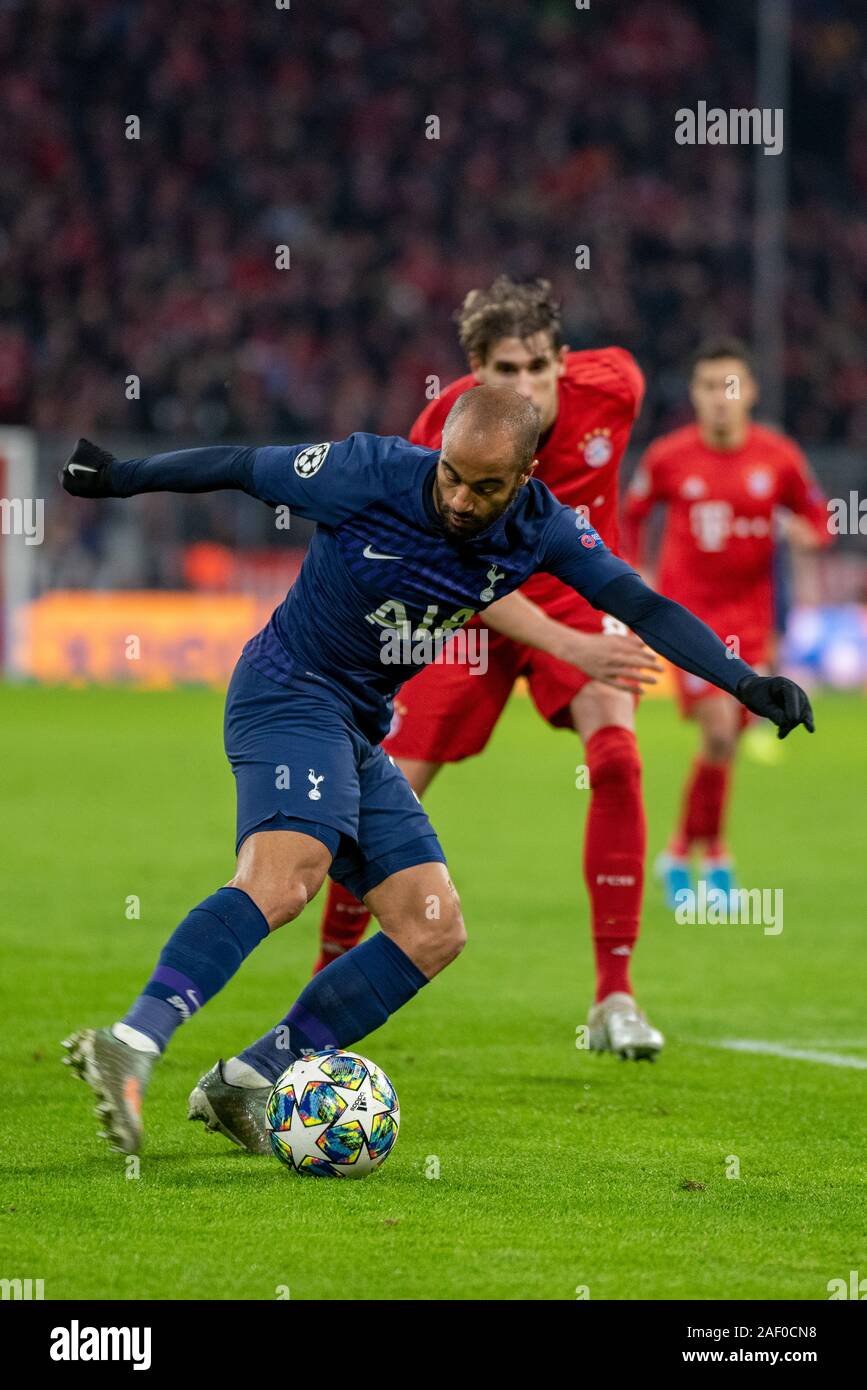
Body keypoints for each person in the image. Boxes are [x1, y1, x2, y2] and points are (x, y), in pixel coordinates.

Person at [60, 385, 813, 1156]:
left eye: (484, 486)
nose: (459, 497)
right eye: (452, 474)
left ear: (524, 475)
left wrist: (743, 681)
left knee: (432, 929)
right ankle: (133, 1041)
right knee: (288, 875)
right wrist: (121, 477)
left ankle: (250, 1079)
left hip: (358, 725)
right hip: (287, 690)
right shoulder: (366, 471)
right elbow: (243, 465)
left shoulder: (541, 528)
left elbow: (638, 602)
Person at [315, 276, 666, 1062]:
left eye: (538, 366)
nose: (525, 386)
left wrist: (584, 633)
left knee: (615, 758)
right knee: (384, 799)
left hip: (577, 591)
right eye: (504, 370)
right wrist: (563, 646)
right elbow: (451, 577)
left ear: (562, 361)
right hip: (471, 607)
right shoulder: (442, 434)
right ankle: (327, 990)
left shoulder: (615, 387)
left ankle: (614, 996)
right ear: (473, 370)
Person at [622, 338, 830, 907]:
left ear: (750, 393)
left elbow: (818, 519)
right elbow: (634, 513)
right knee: (718, 732)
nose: (720, 398)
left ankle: (683, 851)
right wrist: (635, 574)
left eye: (730, 386)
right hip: (690, 619)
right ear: (695, 394)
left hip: (754, 623)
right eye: (710, 387)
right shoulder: (668, 457)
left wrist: (806, 532)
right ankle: (712, 858)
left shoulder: (778, 457)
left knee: (727, 743)